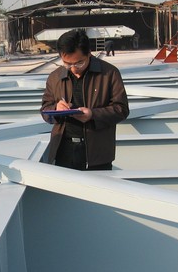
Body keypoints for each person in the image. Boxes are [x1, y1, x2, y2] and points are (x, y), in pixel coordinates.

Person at [41, 29, 129, 171]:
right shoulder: (55, 77)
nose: (73, 69)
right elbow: (45, 110)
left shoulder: (109, 73)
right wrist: (56, 109)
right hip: (63, 150)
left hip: (97, 153)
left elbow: (122, 109)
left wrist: (93, 115)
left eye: (79, 63)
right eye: (67, 64)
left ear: (89, 53)